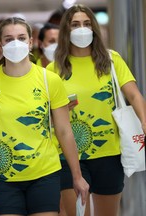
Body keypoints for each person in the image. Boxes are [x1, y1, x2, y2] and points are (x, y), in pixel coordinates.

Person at [0, 17, 89, 216]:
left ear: (31, 42)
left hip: (45, 173)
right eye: (9, 39)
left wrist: (77, 176)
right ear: (0, 44)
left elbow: (64, 131)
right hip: (4, 178)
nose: (16, 43)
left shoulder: (50, 80)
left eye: (21, 38)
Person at [46, 4, 146, 216]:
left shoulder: (111, 60)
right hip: (66, 153)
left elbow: (134, 95)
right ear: (66, 30)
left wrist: (144, 121)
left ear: (94, 29)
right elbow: (44, 112)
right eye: (75, 25)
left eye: (86, 24)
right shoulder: (53, 68)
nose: (81, 29)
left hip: (108, 152)